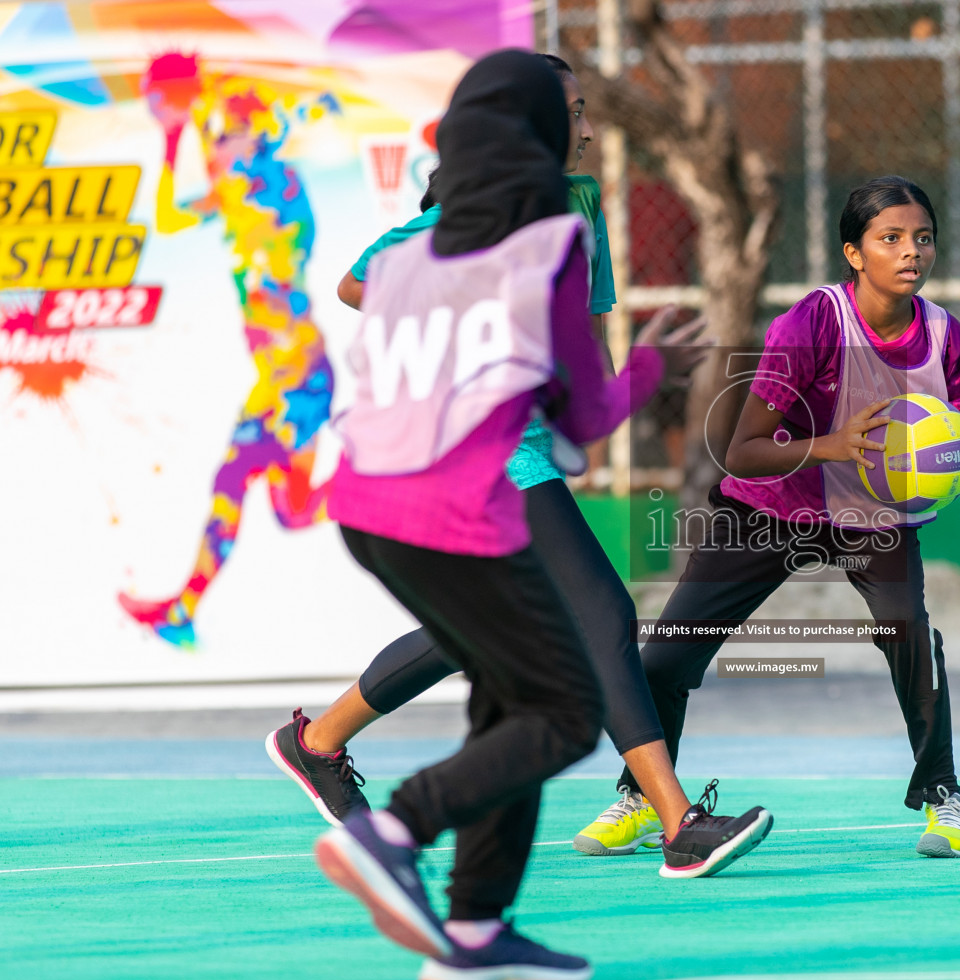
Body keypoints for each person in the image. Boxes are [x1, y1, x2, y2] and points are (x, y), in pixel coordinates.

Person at [271, 54, 771, 880]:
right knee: (603, 619)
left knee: (470, 637)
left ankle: (317, 741)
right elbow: (357, 284)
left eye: (583, 109)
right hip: (485, 458)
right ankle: (678, 823)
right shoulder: (473, 215)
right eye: (571, 110)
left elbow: (576, 323)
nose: (586, 125)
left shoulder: (578, 205)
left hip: (527, 444)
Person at [618, 176, 960, 858]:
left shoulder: (945, 339)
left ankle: (942, 795)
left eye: (923, 238)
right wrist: (834, 446)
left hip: (872, 515)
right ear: (854, 253)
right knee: (667, 654)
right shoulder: (812, 324)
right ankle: (642, 797)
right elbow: (744, 450)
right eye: (891, 239)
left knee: (912, 637)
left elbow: (953, 432)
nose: (912, 252)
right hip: (770, 506)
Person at [119, 54, 337, 647]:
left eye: (223, 136)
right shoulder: (241, 191)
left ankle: (183, 611)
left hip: (296, 375)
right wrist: (171, 140)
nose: (213, 146)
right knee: (290, 510)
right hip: (290, 374)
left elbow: (270, 125)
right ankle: (184, 612)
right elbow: (168, 215)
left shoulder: (263, 188)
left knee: (238, 480)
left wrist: (230, 120)